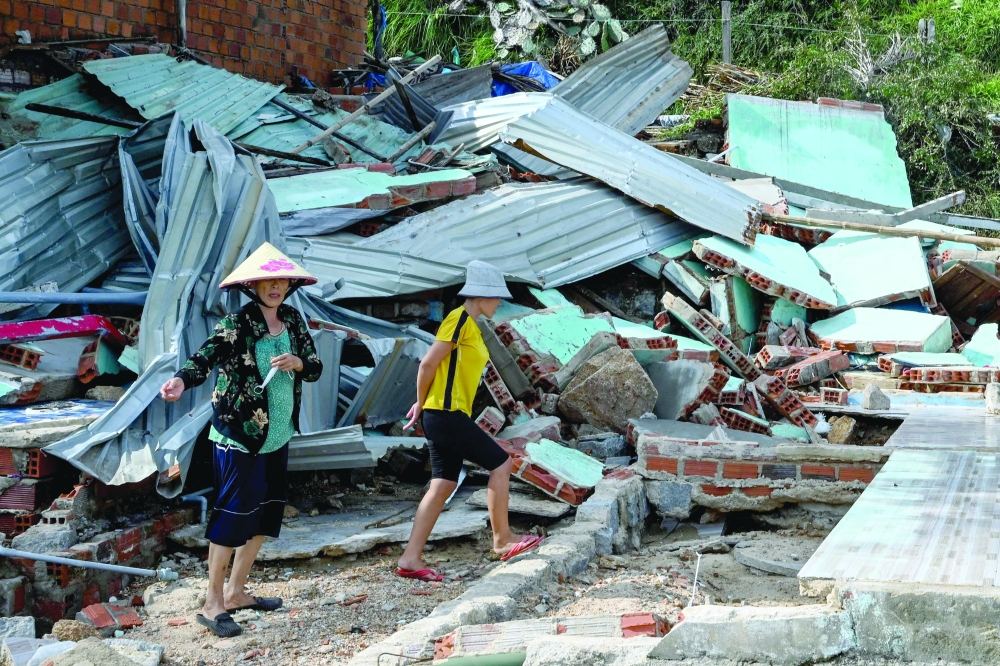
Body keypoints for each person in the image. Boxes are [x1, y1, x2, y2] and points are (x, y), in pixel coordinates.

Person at [159, 243, 322, 637]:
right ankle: (212, 602)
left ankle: (235, 592)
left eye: (282, 280)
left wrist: (297, 363)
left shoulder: (294, 322)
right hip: (240, 435)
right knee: (233, 516)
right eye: (269, 280)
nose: (276, 287)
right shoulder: (238, 323)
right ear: (254, 285)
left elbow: (314, 367)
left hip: (278, 434)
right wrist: (181, 379)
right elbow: (205, 356)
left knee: (266, 513)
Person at [397, 261, 542, 582]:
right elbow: (427, 364)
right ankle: (502, 540)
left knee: (443, 484)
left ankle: (410, 558)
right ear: (480, 296)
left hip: (447, 415)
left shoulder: (472, 326)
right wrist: (421, 403)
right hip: (444, 415)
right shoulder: (458, 320)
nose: (499, 303)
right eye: (496, 297)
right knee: (501, 464)